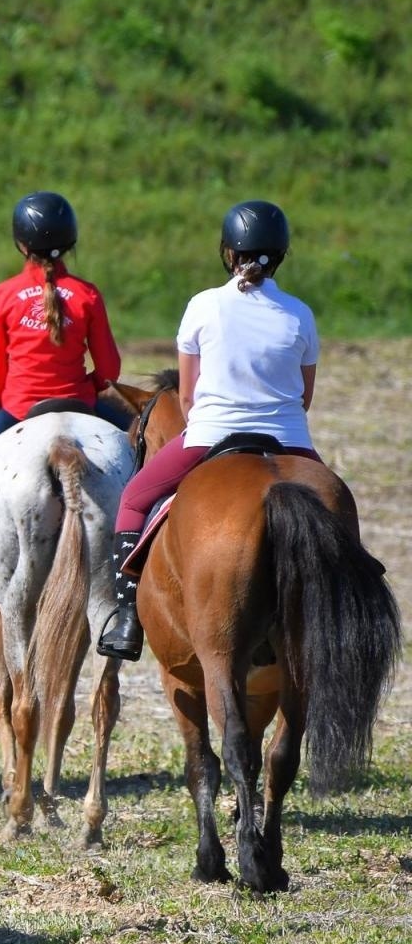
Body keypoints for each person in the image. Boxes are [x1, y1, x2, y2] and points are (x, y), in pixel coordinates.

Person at [97, 200, 322, 660]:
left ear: (228, 252)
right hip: (291, 441)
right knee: (337, 507)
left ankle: (127, 618)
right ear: (281, 255)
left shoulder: (203, 305)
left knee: (134, 499)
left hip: (210, 435)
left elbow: (187, 397)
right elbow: (304, 397)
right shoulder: (300, 314)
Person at [0, 191, 128, 605]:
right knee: (144, 447)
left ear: (21, 243)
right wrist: (88, 386)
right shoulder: (87, 294)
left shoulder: (3, 294)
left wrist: (6, 399)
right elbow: (110, 370)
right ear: (70, 241)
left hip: (19, 411)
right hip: (82, 404)